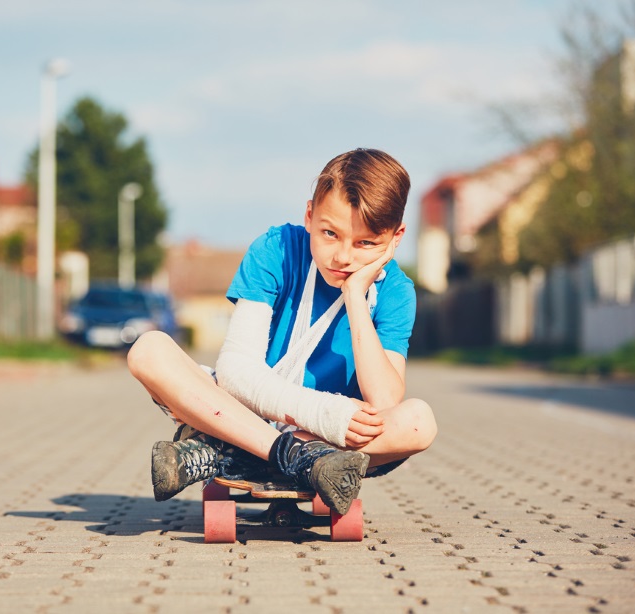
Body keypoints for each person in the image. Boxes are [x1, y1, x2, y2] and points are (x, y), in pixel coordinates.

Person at [128, 148, 437, 516]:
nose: (342, 256)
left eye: (365, 243)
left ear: (395, 238)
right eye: (329, 233)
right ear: (309, 215)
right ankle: (292, 457)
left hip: (321, 436)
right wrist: (326, 412)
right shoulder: (276, 249)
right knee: (147, 350)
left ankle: (229, 455)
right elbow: (236, 371)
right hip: (249, 413)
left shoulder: (396, 290)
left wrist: (355, 297)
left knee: (420, 422)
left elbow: (384, 401)